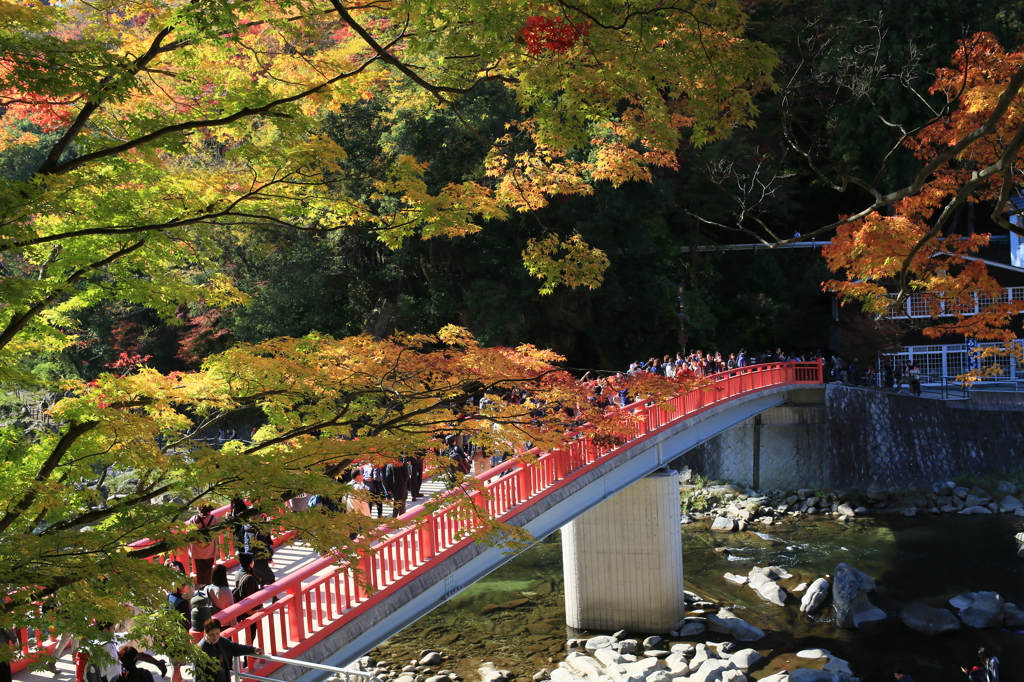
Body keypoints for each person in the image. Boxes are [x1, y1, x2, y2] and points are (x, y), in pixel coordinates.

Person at [195, 619, 263, 682]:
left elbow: (234, 648)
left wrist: (253, 650)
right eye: (212, 634)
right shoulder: (200, 650)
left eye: (217, 633)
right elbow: (197, 676)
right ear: (205, 633)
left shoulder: (221, 641)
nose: (215, 637)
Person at [187, 505, 218, 587]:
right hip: (209, 548)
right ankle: (208, 585)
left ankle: (201, 585)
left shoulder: (194, 519)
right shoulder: (213, 519)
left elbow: (188, 532)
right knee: (208, 567)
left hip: (197, 549)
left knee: (199, 568)